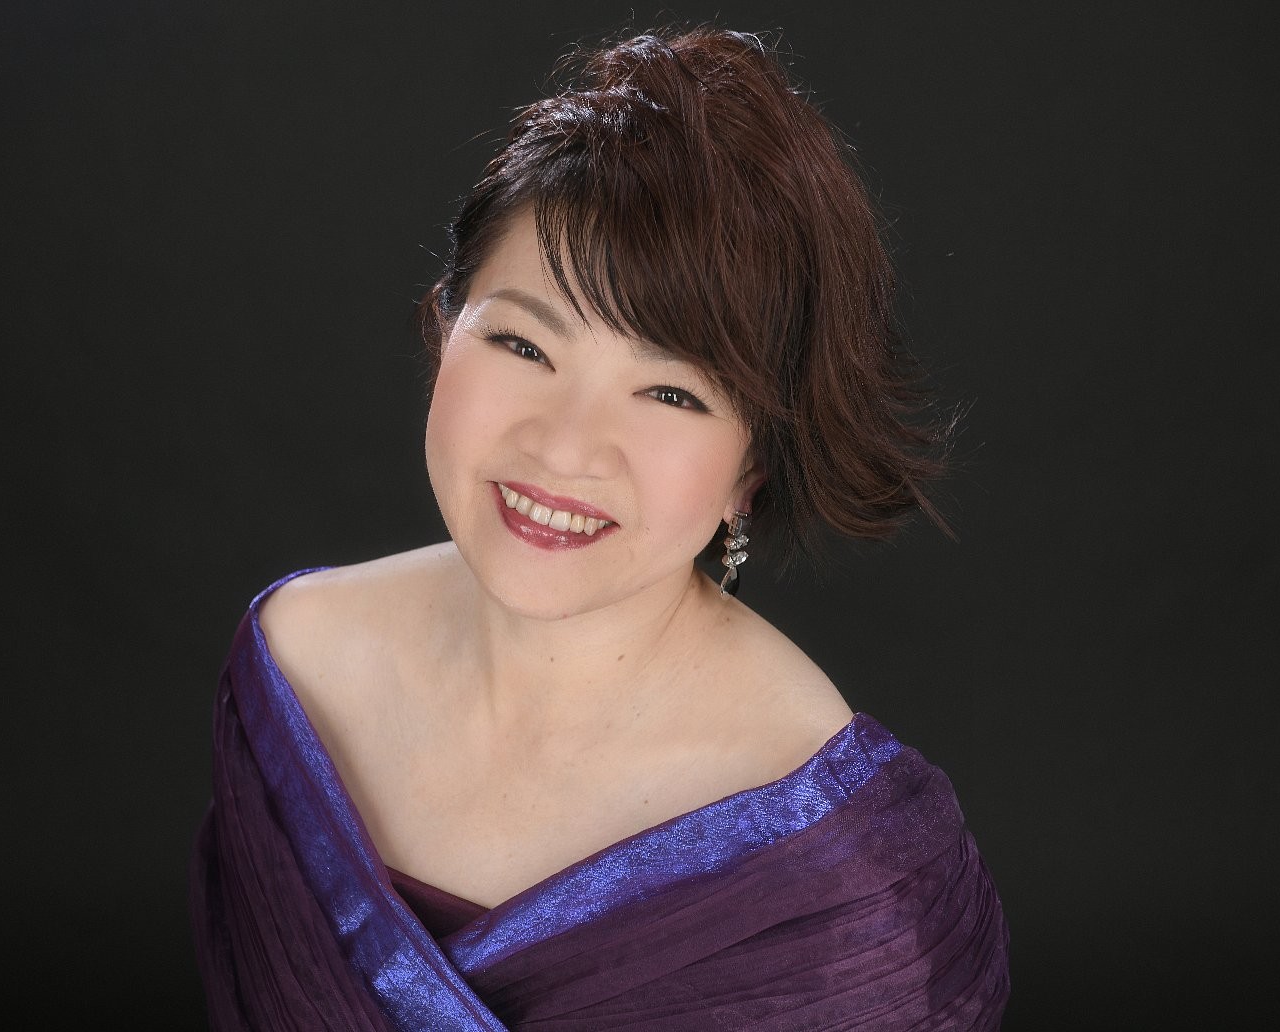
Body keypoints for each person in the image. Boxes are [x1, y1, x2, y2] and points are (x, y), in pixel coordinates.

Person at [190, 26, 1009, 1030]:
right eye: (524, 345)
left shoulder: (848, 873)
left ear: (751, 471)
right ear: (444, 327)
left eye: (671, 393)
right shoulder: (292, 671)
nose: (567, 446)